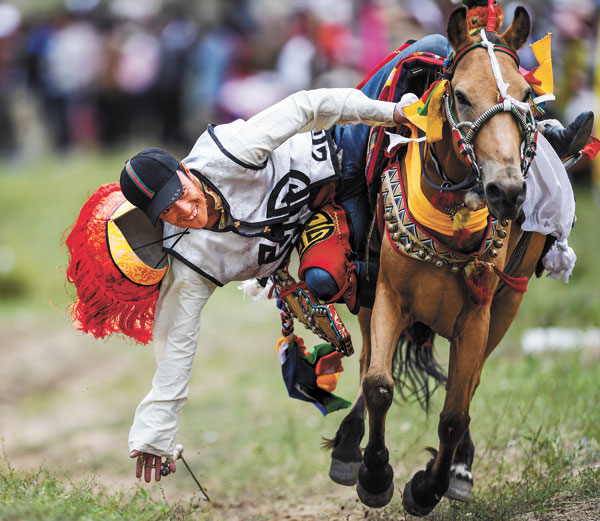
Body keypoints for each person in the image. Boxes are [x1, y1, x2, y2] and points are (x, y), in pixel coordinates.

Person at [120, 32, 593, 482]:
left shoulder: (230, 151)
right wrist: (154, 434)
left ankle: (537, 135)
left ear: (186, 171)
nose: (183, 210)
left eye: (178, 193)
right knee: (329, 279)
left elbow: (312, 105)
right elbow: (177, 344)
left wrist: (390, 115)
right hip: (319, 220)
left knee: (431, 49)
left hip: (341, 154)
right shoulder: (191, 257)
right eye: (168, 211)